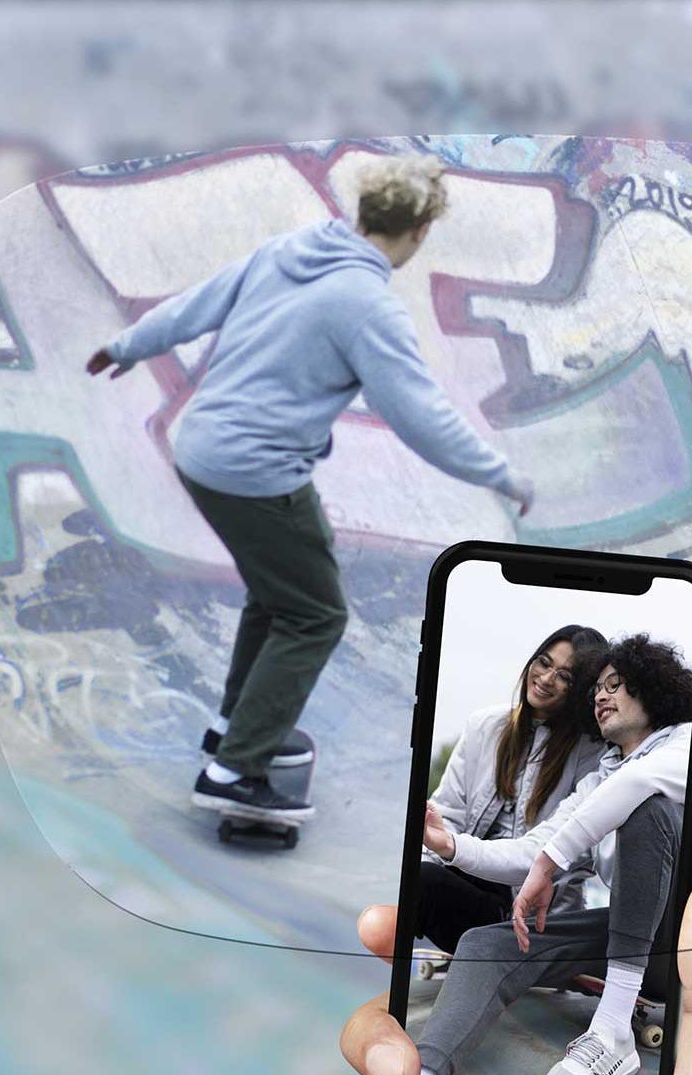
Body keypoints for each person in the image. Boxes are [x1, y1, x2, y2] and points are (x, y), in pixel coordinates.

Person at [85, 156, 535, 822]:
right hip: (256, 472)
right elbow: (422, 417)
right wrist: (499, 474)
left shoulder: (289, 250)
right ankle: (234, 771)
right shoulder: (367, 305)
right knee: (316, 613)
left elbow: (195, 304)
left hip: (201, 449)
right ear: (417, 233)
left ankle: (237, 727)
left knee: (279, 595)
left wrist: (126, 345)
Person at [418, 634, 692, 1075]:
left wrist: (548, 865)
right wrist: (449, 846)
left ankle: (612, 1033)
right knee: (486, 942)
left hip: (687, 945)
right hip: (627, 939)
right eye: (597, 690)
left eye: (615, 684)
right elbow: (535, 847)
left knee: (647, 811)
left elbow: (633, 787)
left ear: (650, 687)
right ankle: (426, 1069)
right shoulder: (598, 779)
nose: (602, 696)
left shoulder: (686, 745)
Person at [342, 880, 692, 1075]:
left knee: (487, 943)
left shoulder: (641, 780)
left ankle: (611, 1030)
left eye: (614, 700)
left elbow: (570, 836)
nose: (602, 702)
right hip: (549, 912)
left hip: (628, 926)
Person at [421, 625, 610, 953]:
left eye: (564, 676)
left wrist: (448, 848)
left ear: (580, 690)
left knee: (420, 882)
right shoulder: (485, 725)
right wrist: (432, 850)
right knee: (412, 878)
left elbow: (544, 856)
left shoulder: (592, 756)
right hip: (461, 877)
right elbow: (447, 810)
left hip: (523, 913)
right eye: (544, 662)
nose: (547, 678)